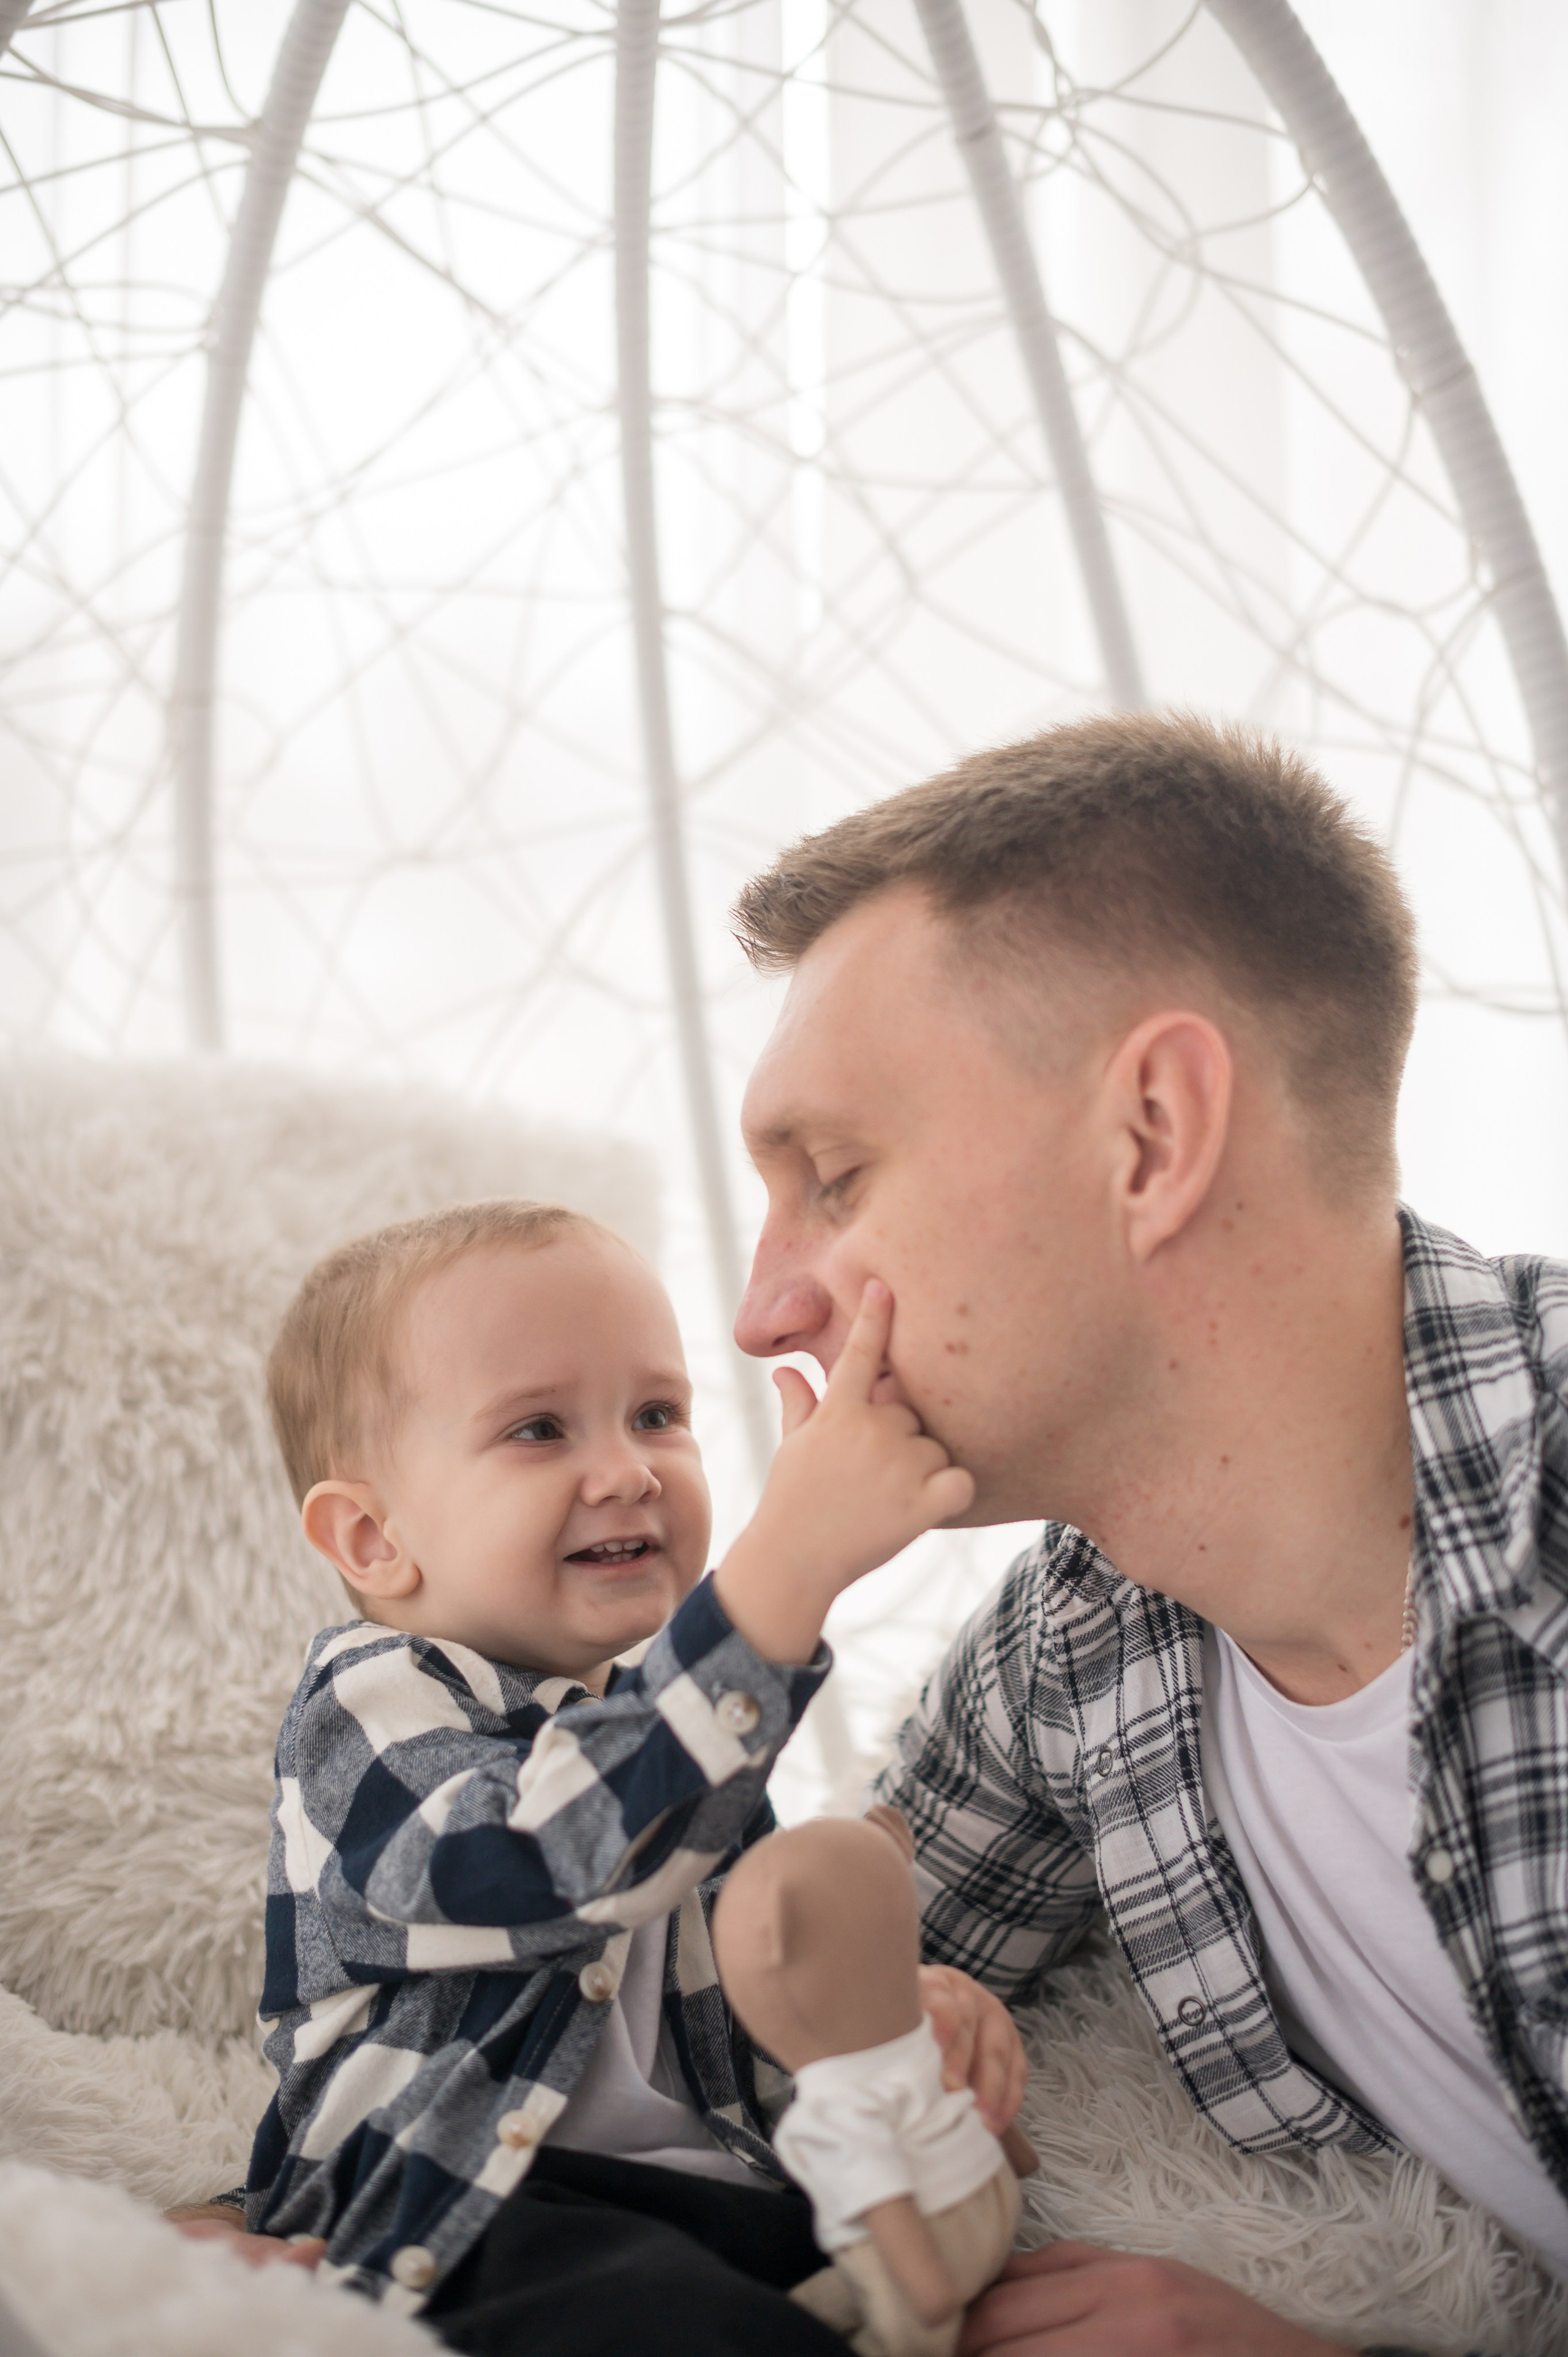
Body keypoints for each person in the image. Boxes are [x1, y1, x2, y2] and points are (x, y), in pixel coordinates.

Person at [730, 711, 1568, 2357]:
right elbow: (755, 2021)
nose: (768, 1310)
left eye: (833, 1175)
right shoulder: (1085, 1646)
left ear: (1154, 1138)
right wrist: (320, 2219)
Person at [221, 1197, 1025, 2355]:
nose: (629, 1471)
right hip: (463, 2217)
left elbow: (743, 2007)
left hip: (723, 2200)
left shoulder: (673, 1722)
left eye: (658, 1414)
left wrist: (895, 2024)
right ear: (371, 1541)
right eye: (540, 1430)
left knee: (996, 2290)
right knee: (675, 2322)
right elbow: (539, 1865)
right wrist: (781, 1572)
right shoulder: (368, 1707)